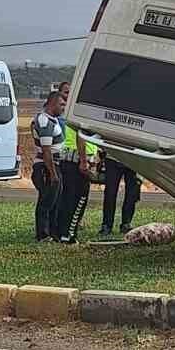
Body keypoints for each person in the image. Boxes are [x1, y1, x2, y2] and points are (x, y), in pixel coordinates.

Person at [53, 81, 95, 244]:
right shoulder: (82, 110)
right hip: (77, 160)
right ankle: (69, 235)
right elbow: (81, 136)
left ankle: (61, 232)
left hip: (70, 159)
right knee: (78, 199)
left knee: (67, 198)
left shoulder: (73, 110)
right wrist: (84, 162)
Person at [30, 90, 66, 241]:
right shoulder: (45, 122)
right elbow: (46, 151)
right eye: (61, 104)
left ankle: (53, 233)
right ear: (52, 103)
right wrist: (52, 173)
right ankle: (43, 234)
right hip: (47, 166)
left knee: (54, 201)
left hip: (54, 165)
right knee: (46, 202)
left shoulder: (52, 120)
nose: (64, 108)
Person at [99, 156, 141, 238]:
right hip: (113, 157)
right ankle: (106, 225)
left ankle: (126, 224)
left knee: (132, 193)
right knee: (110, 193)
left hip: (133, 158)